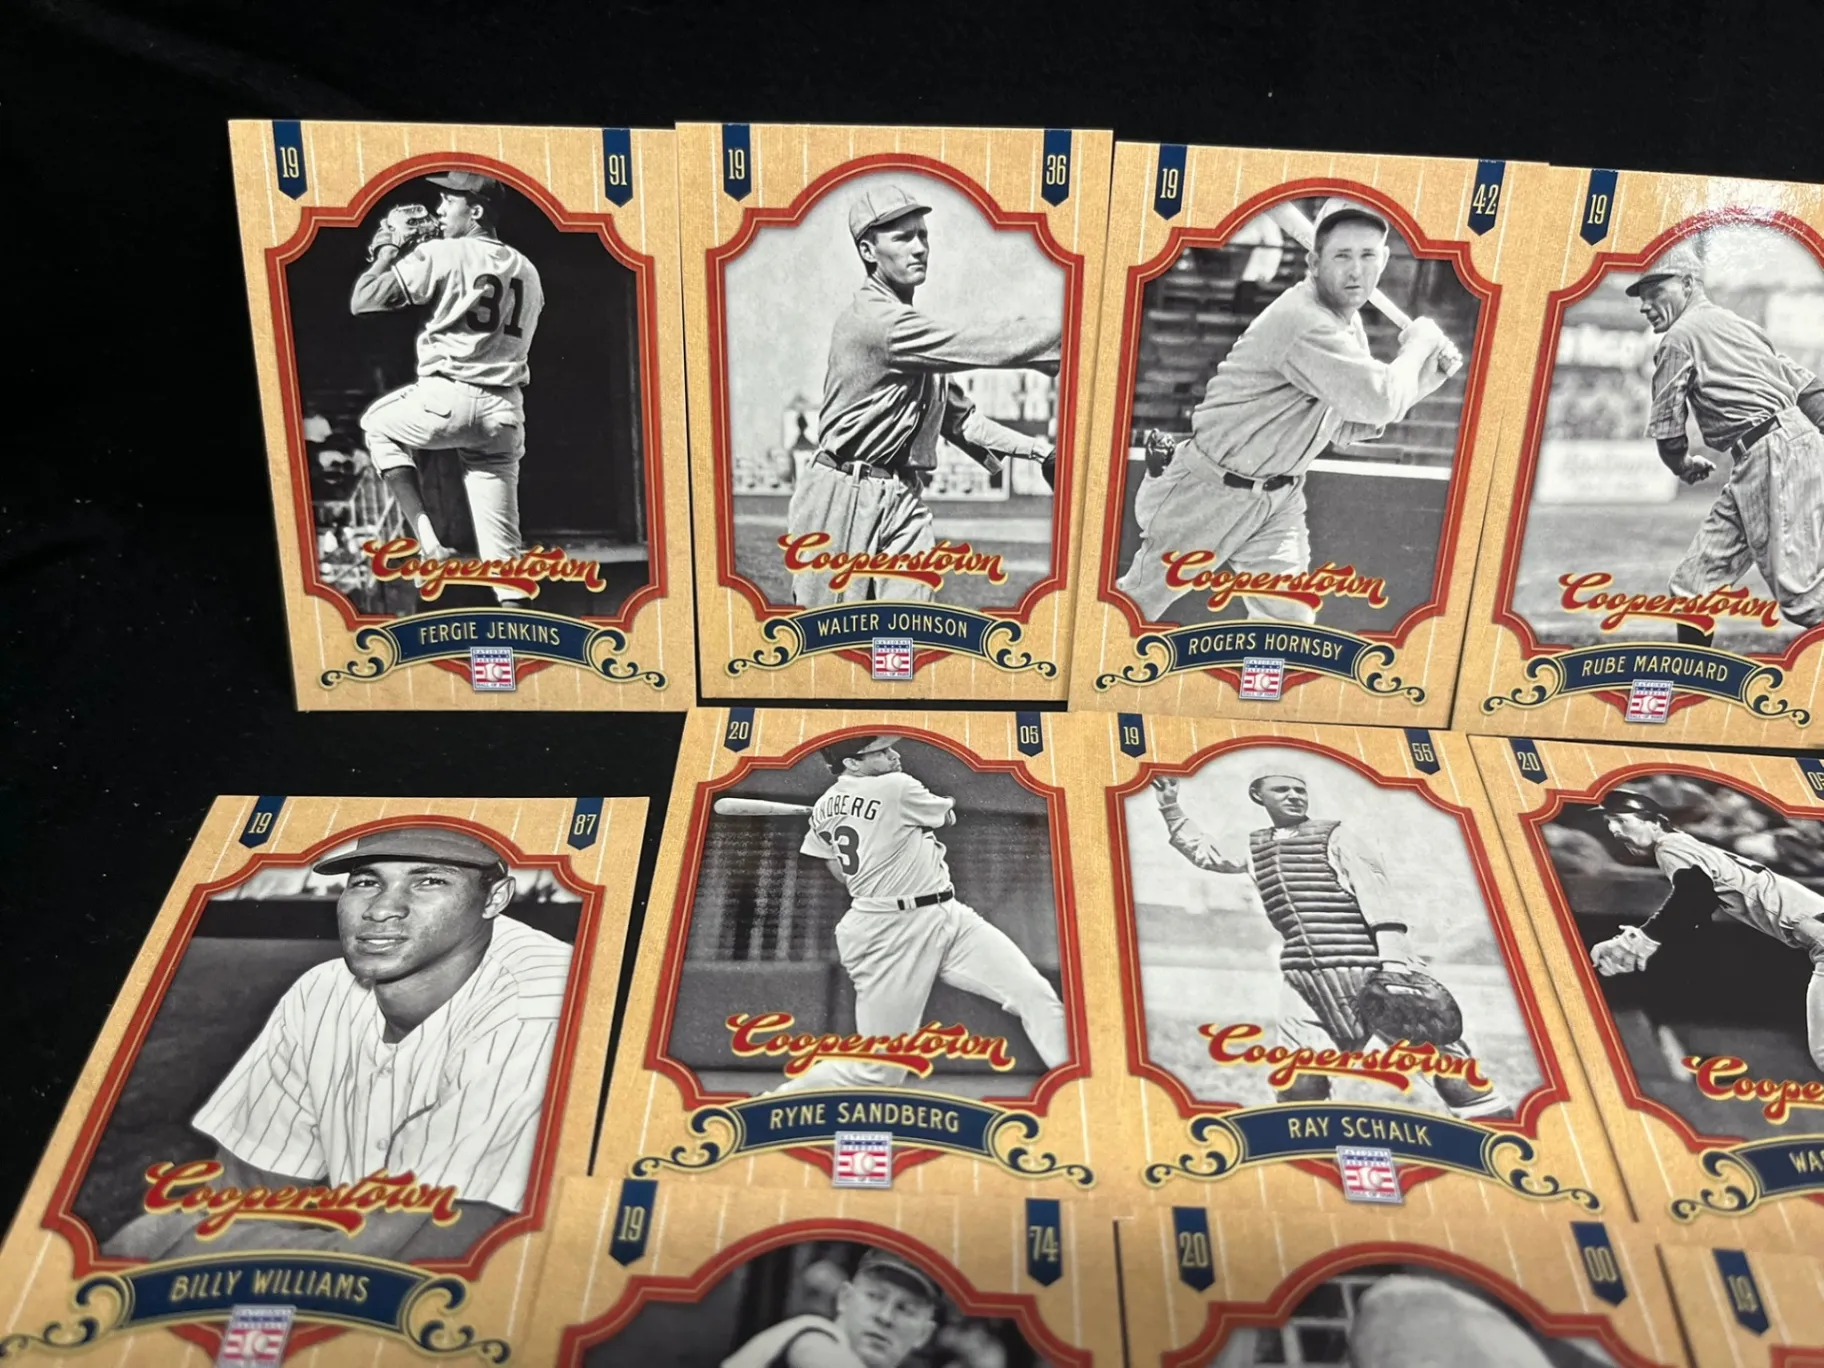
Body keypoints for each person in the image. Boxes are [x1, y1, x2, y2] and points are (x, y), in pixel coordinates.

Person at [103, 826, 572, 1260]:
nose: (381, 909)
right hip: (369, 1257)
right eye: (366, 882)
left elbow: (437, 1249)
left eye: (429, 881)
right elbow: (244, 1191)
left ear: (495, 898)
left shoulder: (540, 1000)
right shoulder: (321, 991)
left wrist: (176, 1246)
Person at [1118, 198, 1460, 622]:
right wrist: (1420, 344)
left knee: (1290, 623)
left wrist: (1428, 379)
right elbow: (1381, 400)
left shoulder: (1347, 324)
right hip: (1207, 492)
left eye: (1368, 255)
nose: (1356, 270)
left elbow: (1350, 424)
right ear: (1314, 261)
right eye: (1342, 255)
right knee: (1132, 612)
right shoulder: (1302, 319)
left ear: (1385, 260)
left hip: (1278, 500)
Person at [1152, 762, 1507, 1118]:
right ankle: (1309, 1138)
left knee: (1449, 1070)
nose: (1294, 796)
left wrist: (1395, 962)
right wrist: (1170, 808)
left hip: (1371, 965)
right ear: (1258, 796)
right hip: (1306, 973)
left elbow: (1378, 896)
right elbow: (1207, 853)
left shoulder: (1337, 837)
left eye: (1300, 790)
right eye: (1282, 790)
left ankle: (1497, 1127)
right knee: (1299, 1078)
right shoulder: (1253, 845)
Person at [785, 184, 1059, 607]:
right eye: (903, 237)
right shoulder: (878, 323)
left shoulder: (913, 341)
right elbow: (979, 343)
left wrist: (1041, 453)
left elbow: (964, 422)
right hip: (841, 496)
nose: (919, 248)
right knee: (833, 636)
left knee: (906, 629)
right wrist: (1071, 336)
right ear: (868, 251)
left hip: (903, 495)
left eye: (923, 235)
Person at [766, 735, 1068, 1094]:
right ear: (851, 763)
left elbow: (839, 869)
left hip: (950, 915)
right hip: (889, 931)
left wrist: (878, 840)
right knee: (880, 1071)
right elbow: (948, 815)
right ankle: (775, 1102)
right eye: (880, 752)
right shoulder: (896, 785)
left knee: (1035, 996)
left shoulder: (824, 808)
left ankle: (1079, 1090)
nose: (893, 755)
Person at [351, 170, 546, 605]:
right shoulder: (527, 269)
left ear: (475, 211)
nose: (439, 209)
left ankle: (429, 541)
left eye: (449, 201)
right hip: (503, 412)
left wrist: (387, 250)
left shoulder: (442, 251)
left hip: (447, 398)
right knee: (505, 557)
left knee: (376, 425)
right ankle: (516, 626)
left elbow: (363, 300)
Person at [1627, 243, 1824, 641]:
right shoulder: (1737, 323)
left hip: (1774, 453)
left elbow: (1668, 428)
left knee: (1805, 599)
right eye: (1642, 298)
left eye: (1656, 292)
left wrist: (1682, 465)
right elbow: (1806, 387)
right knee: (1692, 587)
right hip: (1776, 449)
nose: (1645, 306)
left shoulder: (1678, 337)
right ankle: (1693, 675)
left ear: (1688, 284)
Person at [1589, 788, 1824, 1071]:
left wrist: (1642, 939)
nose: (1614, 830)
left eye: (1622, 820)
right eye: (1609, 822)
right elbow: (1700, 902)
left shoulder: (1670, 847)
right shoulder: (1687, 844)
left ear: (1654, 821)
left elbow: (1695, 895)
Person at [721, 1248, 943, 1368]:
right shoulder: (811, 1334)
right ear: (844, 1299)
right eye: (875, 1297)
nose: (885, 1317)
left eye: (905, 1309)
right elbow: (815, 1354)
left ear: (923, 1334)